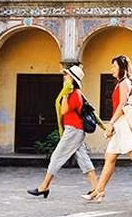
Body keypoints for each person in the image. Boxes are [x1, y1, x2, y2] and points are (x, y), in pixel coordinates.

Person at [82, 55, 132, 204]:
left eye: (114, 67)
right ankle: (99, 191)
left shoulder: (125, 83)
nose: (112, 69)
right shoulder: (123, 83)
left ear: (122, 68)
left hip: (125, 125)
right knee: (109, 158)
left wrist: (111, 123)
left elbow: (122, 105)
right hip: (121, 125)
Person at [27, 64, 98, 198]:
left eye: (66, 75)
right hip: (74, 130)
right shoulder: (73, 93)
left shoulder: (75, 94)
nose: (64, 77)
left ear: (72, 79)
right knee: (83, 159)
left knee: (56, 156)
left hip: (74, 130)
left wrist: (65, 94)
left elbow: (64, 110)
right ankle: (96, 189)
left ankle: (44, 187)